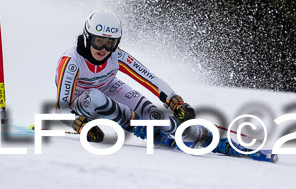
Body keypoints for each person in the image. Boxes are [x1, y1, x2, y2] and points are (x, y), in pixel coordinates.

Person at [53, 10, 208, 147]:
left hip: (108, 87)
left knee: (153, 114)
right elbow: (61, 109)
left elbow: (149, 78)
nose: (104, 49)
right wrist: (81, 125)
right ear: (88, 37)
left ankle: (195, 134)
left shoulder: (116, 55)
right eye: (98, 42)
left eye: (110, 43)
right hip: (80, 103)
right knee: (95, 96)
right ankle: (136, 125)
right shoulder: (72, 61)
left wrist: (175, 103)